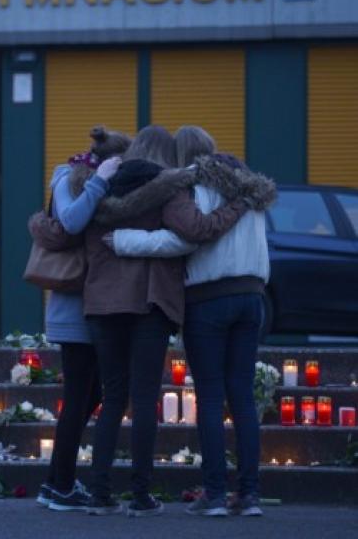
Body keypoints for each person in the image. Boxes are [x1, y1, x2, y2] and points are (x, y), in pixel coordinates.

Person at [104, 126, 275, 517]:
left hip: (208, 302)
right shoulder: (251, 190)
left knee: (212, 398)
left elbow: (183, 241)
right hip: (252, 298)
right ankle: (249, 496)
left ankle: (214, 494)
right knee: (244, 398)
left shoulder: (191, 187)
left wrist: (124, 241)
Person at [29, 126, 130, 511]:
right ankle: (63, 486)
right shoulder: (70, 176)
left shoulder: (97, 183)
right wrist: (99, 183)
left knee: (91, 395)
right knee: (78, 398)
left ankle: (54, 481)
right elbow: (70, 221)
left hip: (91, 308)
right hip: (74, 310)